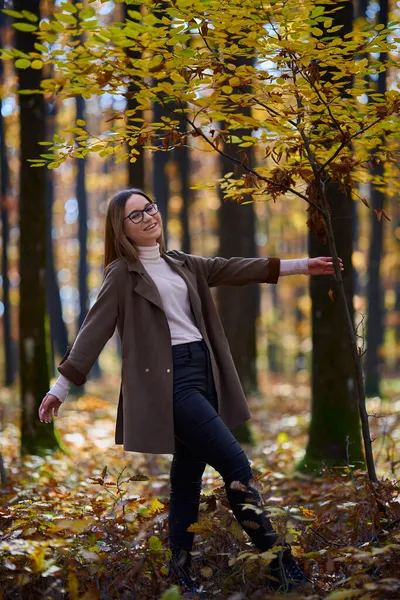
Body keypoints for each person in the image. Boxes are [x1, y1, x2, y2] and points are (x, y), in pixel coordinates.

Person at [38, 188, 343, 595]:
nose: (149, 217)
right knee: (236, 466)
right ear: (121, 228)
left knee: (187, 477)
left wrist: (304, 265)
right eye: (136, 215)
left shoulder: (182, 263)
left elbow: (236, 268)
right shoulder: (121, 274)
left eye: (151, 207)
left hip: (205, 373)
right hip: (171, 383)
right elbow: (93, 332)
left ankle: (179, 572)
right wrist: (60, 387)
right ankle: (281, 566)